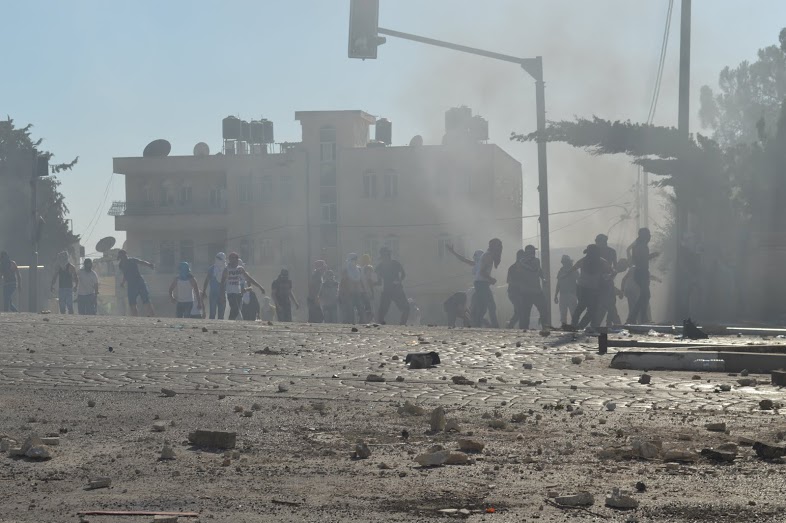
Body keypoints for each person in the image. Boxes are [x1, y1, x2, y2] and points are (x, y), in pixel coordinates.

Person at [568, 244, 613, 332]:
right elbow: (573, 269)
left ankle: (579, 326)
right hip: (583, 288)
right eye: (589, 254)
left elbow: (611, 272)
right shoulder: (584, 261)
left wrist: (608, 278)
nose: (590, 256)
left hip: (593, 289)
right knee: (582, 306)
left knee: (592, 310)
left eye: (592, 253)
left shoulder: (602, 262)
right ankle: (575, 325)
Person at [626, 228, 659, 324]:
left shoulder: (641, 245)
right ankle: (633, 318)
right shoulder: (640, 246)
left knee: (645, 296)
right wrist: (653, 255)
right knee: (645, 295)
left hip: (642, 272)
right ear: (642, 235)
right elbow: (641, 259)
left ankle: (641, 318)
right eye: (647, 234)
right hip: (641, 272)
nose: (649, 235)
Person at [220, 252, 264, 320]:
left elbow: (249, 278)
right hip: (230, 293)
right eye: (232, 259)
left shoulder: (240, 269)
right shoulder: (226, 269)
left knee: (236, 311)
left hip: (239, 293)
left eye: (235, 259)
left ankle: (230, 321)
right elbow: (222, 283)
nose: (235, 261)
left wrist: (260, 287)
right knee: (234, 308)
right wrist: (222, 294)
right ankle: (229, 322)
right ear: (230, 260)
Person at [514, 245, 547, 329]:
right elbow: (535, 269)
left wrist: (543, 278)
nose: (535, 253)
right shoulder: (535, 260)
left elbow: (539, 271)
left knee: (527, 313)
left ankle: (525, 329)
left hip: (529, 291)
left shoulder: (520, 262)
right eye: (533, 251)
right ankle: (544, 327)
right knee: (541, 310)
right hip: (533, 292)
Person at [376, 246, 410, 325]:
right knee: (382, 311)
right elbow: (379, 282)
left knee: (406, 308)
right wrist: (372, 283)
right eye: (383, 256)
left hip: (396, 290)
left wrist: (399, 281)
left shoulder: (395, 264)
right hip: (388, 291)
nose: (385, 258)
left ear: (388, 255)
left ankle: (402, 323)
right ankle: (381, 324)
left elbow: (403, 274)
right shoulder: (380, 267)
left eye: (386, 255)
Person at [473, 239, 503, 328]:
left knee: (483, 307)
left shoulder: (488, 255)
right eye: (499, 247)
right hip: (481, 283)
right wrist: (491, 279)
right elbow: (482, 272)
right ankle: (495, 326)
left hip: (481, 283)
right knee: (491, 305)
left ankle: (477, 324)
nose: (500, 249)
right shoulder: (488, 256)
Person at [117, 249, 156, 317]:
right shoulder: (121, 265)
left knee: (146, 300)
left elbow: (141, 262)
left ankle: (152, 316)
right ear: (120, 257)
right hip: (131, 285)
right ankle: (135, 318)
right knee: (132, 303)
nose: (125, 257)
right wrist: (123, 283)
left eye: (125, 255)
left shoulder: (132, 260)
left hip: (139, 282)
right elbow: (125, 274)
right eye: (123, 256)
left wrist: (149, 265)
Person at [595, 234, 621, 326]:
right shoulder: (600, 252)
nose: (596, 243)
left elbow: (615, 268)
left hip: (602, 283)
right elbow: (615, 269)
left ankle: (612, 323)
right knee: (607, 304)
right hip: (602, 282)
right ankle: (614, 323)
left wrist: (610, 276)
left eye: (597, 241)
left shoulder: (599, 252)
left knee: (607, 304)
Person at [339, 253, 365, 324]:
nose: (355, 261)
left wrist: (363, 290)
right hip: (348, 293)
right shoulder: (346, 270)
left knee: (361, 308)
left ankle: (362, 323)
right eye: (353, 260)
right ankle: (350, 323)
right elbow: (342, 282)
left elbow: (360, 281)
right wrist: (341, 292)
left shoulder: (358, 269)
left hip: (357, 292)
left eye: (356, 260)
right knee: (350, 310)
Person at [554, 255, 578, 327]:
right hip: (563, 295)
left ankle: (574, 326)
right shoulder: (561, 271)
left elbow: (579, 282)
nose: (564, 263)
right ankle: (564, 326)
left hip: (571, 294)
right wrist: (556, 295)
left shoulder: (574, 270)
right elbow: (559, 284)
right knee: (563, 313)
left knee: (573, 312)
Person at [202, 252, 227, 320]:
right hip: (213, 294)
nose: (218, 260)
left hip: (223, 294)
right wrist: (204, 291)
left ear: (224, 260)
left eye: (220, 259)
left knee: (221, 314)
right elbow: (207, 280)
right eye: (217, 258)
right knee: (212, 313)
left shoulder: (227, 269)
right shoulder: (212, 269)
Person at [359, 254, 376, 321]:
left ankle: (364, 320)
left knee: (365, 307)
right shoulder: (369, 268)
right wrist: (372, 290)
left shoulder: (360, 269)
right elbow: (370, 280)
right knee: (370, 308)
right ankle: (368, 321)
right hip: (368, 290)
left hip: (362, 290)